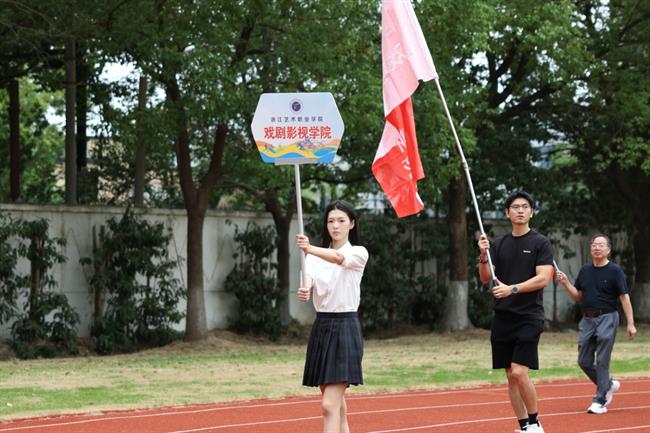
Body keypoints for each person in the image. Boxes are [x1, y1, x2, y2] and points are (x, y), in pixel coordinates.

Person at [477, 191, 554, 433]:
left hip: (529, 316)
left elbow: (543, 279)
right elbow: (485, 278)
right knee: (510, 375)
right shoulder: (498, 244)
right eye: (515, 207)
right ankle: (523, 426)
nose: (520, 210)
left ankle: (535, 422)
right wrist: (483, 255)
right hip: (503, 317)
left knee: (520, 372)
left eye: (525, 207)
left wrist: (512, 289)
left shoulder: (541, 243)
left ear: (532, 212)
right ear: (507, 213)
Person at [296, 200, 369, 433]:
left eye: (341, 220)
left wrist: (309, 248)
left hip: (345, 326)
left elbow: (338, 258)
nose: (335, 226)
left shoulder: (358, 253)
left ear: (351, 224)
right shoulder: (313, 257)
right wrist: (305, 288)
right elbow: (308, 279)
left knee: (329, 405)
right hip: (322, 327)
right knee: (337, 406)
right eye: (330, 221)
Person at [556, 234, 636, 414]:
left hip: (607, 317)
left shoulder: (615, 271)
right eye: (594, 245)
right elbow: (578, 297)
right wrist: (566, 283)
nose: (597, 248)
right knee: (583, 361)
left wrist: (630, 323)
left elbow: (624, 297)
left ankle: (600, 400)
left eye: (601, 245)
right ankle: (608, 384)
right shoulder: (585, 270)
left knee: (602, 359)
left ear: (608, 250)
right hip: (587, 320)